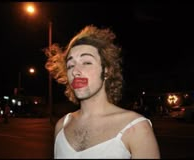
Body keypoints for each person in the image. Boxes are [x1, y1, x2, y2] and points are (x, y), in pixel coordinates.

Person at [45, 25, 160, 159]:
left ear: (106, 71)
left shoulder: (136, 128)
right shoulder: (61, 126)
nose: (75, 71)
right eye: (70, 65)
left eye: (87, 62)